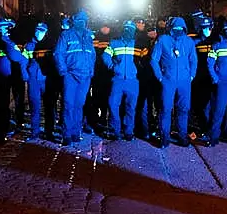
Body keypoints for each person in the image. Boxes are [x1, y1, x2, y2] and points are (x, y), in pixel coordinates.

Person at [150, 16, 197, 148]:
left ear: (184, 28)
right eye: (175, 28)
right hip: (168, 80)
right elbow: (154, 60)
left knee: (183, 108)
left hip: (184, 81)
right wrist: (160, 77)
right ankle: (164, 138)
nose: (178, 30)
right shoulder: (163, 40)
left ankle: (182, 137)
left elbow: (193, 60)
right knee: (165, 108)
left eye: (181, 28)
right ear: (171, 28)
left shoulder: (189, 42)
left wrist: (191, 75)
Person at [54, 10, 96, 146]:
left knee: (79, 105)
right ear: (74, 21)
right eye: (79, 20)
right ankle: (66, 134)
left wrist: (91, 72)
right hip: (71, 75)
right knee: (68, 104)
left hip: (85, 77)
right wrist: (63, 71)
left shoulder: (88, 37)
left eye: (84, 21)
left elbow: (92, 55)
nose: (81, 23)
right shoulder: (66, 35)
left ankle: (76, 133)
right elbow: (58, 53)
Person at [103, 20, 140, 141]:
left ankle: (129, 131)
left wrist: (138, 70)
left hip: (132, 80)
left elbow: (143, 58)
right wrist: (112, 67)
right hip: (118, 80)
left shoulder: (136, 44)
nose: (128, 31)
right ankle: (116, 131)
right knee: (113, 104)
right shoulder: (115, 42)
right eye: (126, 28)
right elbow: (105, 56)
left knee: (131, 107)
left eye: (131, 29)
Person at [22, 22, 51, 141]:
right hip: (33, 79)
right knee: (34, 106)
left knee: (49, 107)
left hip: (46, 79)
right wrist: (25, 75)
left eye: (42, 31)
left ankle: (49, 131)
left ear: (46, 32)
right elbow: (23, 62)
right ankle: (35, 131)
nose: (39, 33)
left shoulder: (49, 45)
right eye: (38, 30)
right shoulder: (29, 45)